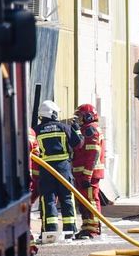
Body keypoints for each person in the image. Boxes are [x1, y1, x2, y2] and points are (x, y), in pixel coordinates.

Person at [33, 99, 82, 243]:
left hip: (46, 170)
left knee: (48, 199)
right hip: (63, 169)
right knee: (67, 198)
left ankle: (50, 231)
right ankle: (70, 230)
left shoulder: (35, 131)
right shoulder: (64, 127)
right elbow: (78, 144)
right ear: (53, 114)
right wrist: (77, 129)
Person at [70, 103, 106, 239]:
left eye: (80, 116)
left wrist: (86, 175)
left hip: (88, 174)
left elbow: (93, 153)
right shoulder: (86, 129)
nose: (78, 119)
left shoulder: (91, 129)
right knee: (85, 201)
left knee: (91, 200)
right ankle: (87, 227)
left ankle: (93, 228)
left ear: (89, 116)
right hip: (82, 174)